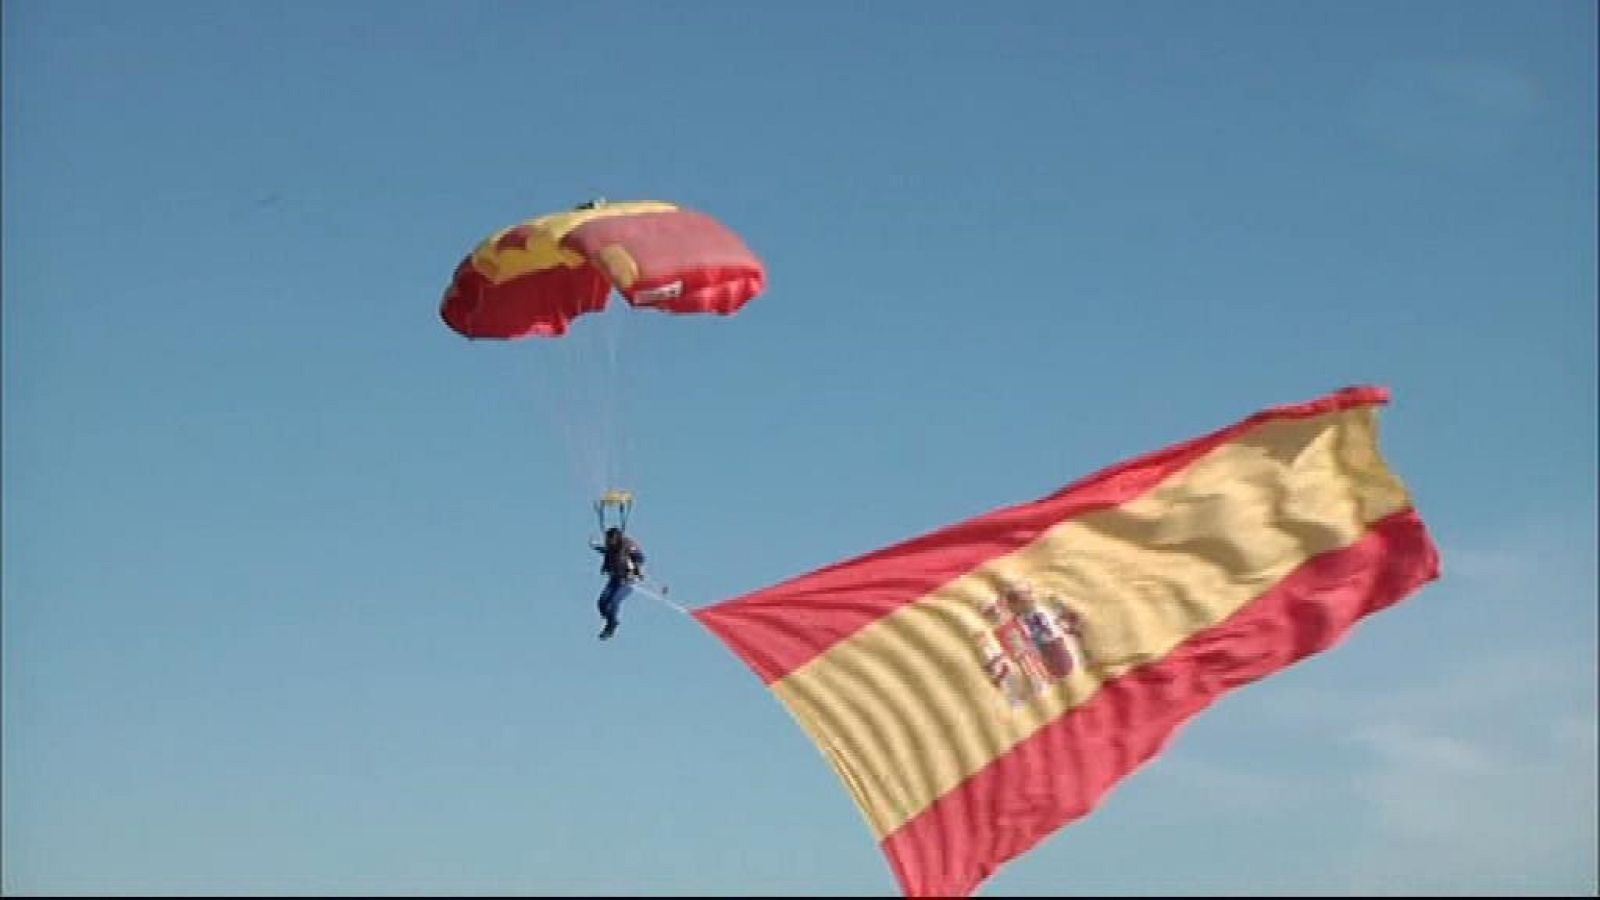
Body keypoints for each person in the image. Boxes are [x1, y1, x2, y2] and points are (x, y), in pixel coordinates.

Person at [591, 526, 645, 640]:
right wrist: (595, 546)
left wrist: (637, 569)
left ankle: (611, 626)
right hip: (614, 580)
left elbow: (640, 557)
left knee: (613, 602)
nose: (609, 543)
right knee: (602, 603)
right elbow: (606, 551)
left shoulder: (628, 545)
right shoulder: (610, 547)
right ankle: (611, 620)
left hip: (627, 581)